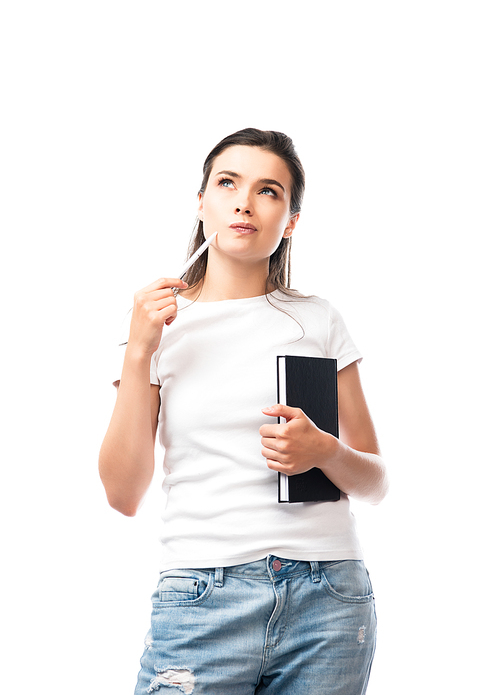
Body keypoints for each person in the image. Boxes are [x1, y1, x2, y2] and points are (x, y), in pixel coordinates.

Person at [99, 128, 388, 695]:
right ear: (201, 202)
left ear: (291, 220)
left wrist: (324, 451)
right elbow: (122, 494)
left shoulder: (320, 320)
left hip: (329, 597)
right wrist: (138, 352)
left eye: (269, 190)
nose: (244, 202)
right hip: (203, 594)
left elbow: (377, 483)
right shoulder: (158, 329)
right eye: (227, 182)